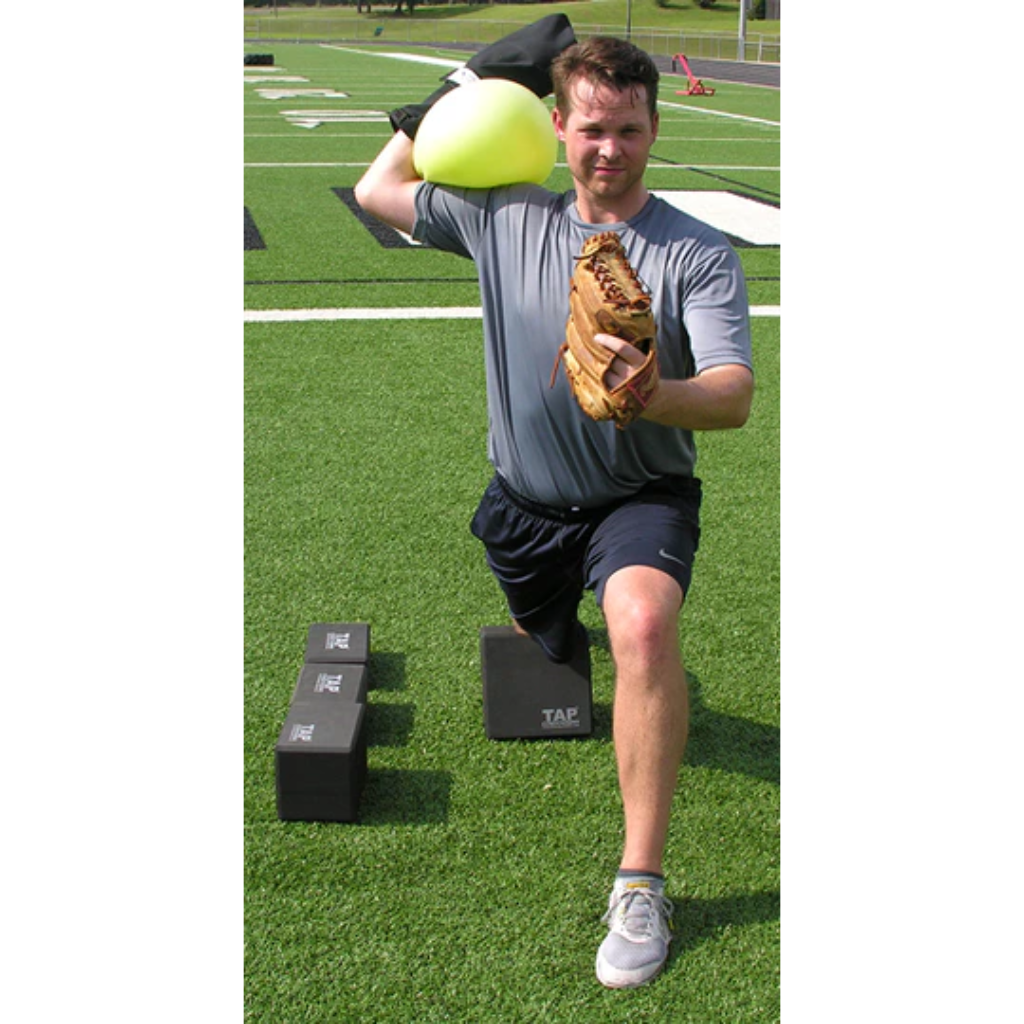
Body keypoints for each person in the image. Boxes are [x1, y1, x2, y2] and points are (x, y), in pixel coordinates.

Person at [356, 30, 755, 991]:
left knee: (645, 625)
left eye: (627, 129)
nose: (609, 149)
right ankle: (553, 628)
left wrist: (652, 391)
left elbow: (735, 393)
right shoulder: (504, 215)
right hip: (524, 503)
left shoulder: (695, 252)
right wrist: (470, 75)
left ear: (654, 129)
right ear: (556, 128)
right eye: (590, 129)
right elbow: (379, 189)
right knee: (547, 633)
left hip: (638, 497)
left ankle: (640, 881)